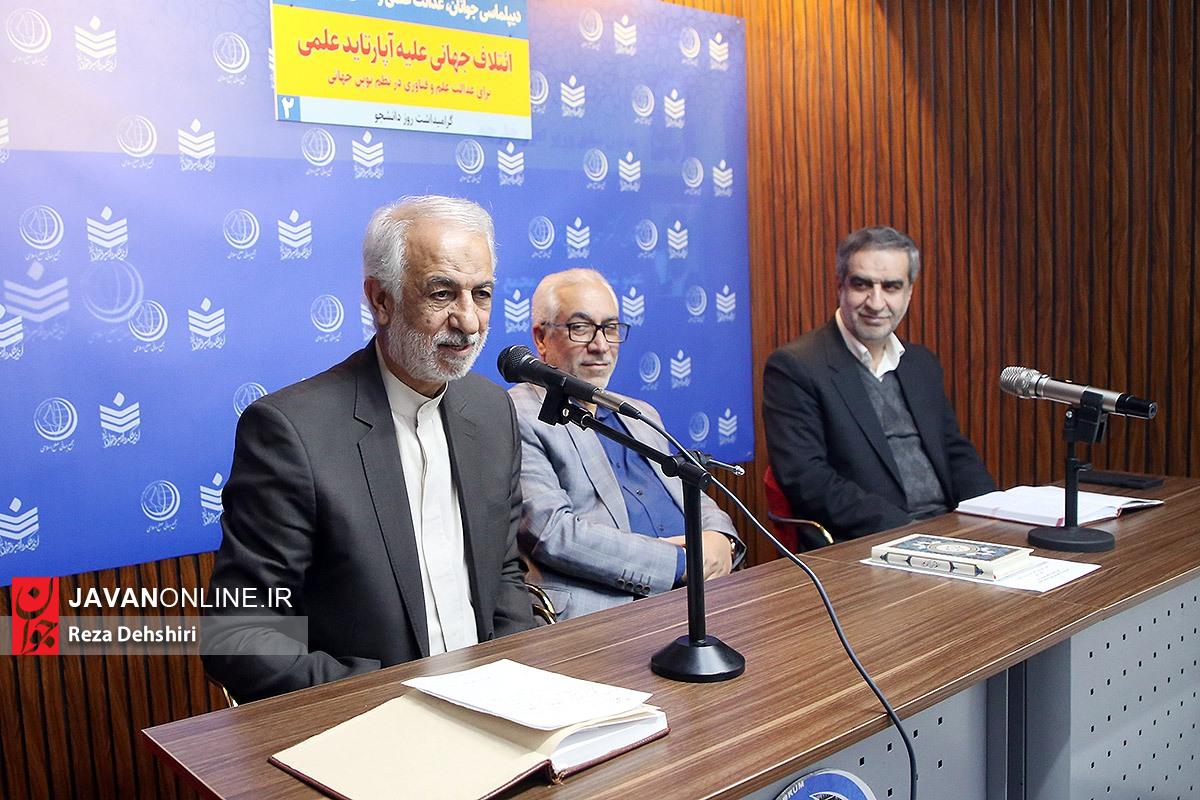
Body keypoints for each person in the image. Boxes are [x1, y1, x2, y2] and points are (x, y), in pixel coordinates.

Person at [203, 196, 536, 702]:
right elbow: (240, 635)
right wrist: (386, 697)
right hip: (369, 717)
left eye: (482, 294)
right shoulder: (291, 432)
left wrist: (518, 675)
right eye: (442, 293)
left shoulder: (492, 411)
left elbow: (504, 575)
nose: (469, 321)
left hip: (498, 704)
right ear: (381, 300)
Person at [509, 269, 744, 620]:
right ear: (541, 338)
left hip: (705, 593)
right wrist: (680, 562)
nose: (601, 345)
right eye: (581, 327)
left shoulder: (639, 413)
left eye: (610, 328)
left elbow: (693, 495)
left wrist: (721, 539)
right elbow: (553, 533)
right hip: (612, 609)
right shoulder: (517, 414)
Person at [763, 226, 996, 545]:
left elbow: (955, 453)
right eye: (862, 285)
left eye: (891, 287)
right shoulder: (796, 366)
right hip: (867, 542)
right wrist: (909, 531)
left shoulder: (920, 363)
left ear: (908, 293)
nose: (876, 302)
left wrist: (992, 516)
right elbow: (808, 480)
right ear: (840, 286)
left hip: (948, 532)